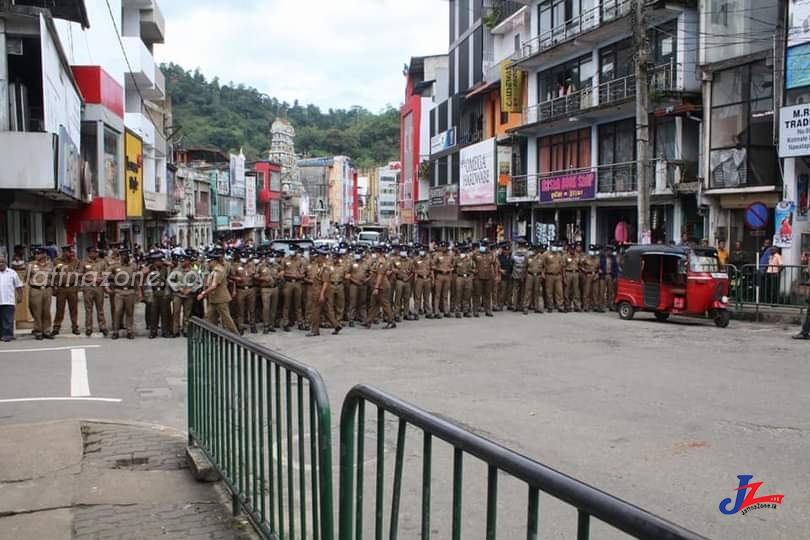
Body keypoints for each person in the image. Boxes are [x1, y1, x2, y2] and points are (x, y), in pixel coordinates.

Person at [197, 250, 239, 334]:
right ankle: (203, 335)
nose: (208, 263)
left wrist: (203, 293)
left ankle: (236, 336)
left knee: (227, 319)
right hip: (214, 299)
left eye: (209, 261)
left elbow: (214, 285)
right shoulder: (214, 270)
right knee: (208, 317)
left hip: (221, 299)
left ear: (214, 261)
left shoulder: (218, 271)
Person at [106, 249, 141, 340]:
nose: (125, 257)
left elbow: (136, 280)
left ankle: (129, 331)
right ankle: (115, 331)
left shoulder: (133, 266)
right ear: (120, 257)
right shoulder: (115, 266)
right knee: (117, 311)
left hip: (130, 291)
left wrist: (139, 292)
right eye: (123, 256)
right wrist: (107, 286)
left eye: (126, 256)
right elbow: (105, 275)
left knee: (130, 312)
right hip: (119, 292)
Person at [80, 246, 109, 337]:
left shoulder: (102, 262)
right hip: (88, 288)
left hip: (99, 288)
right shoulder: (83, 262)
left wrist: (102, 280)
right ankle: (89, 327)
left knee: (100, 308)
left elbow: (106, 273)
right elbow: (80, 275)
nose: (96, 253)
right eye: (93, 252)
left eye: (96, 252)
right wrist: (92, 280)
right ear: (89, 253)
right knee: (88, 309)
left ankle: (102, 326)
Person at [27, 245, 54, 340]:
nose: (36, 256)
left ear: (44, 254)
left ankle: (47, 330)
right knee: (36, 311)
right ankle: (38, 331)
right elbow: (26, 277)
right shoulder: (31, 265)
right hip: (35, 289)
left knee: (46, 311)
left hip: (47, 289)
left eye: (39, 254)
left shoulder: (50, 264)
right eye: (35, 254)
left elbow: (53, 277)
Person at [0, 257, 24, 342]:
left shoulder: (12, 273)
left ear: (6, 263)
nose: (1, 264)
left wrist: (20, 296)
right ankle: (2, 334)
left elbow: (19, 286)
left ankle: (7, 335)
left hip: (8, 300)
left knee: (8, 319)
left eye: (2, 262)